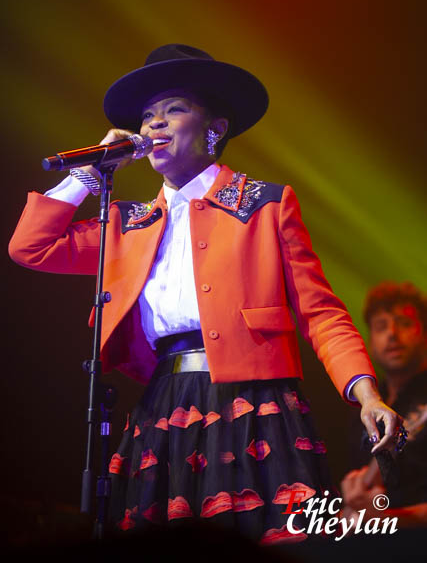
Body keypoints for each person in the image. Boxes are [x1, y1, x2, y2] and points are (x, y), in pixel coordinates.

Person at [9, 44, 400, 545]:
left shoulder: (264, 204)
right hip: (165, 406)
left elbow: (320, 311)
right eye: (148, 116)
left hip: (253, 404)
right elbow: (29, 248)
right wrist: (88, 176)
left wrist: (365, 391)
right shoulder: (126, 222)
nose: (155, 124)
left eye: (174, 109)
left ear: (214, 127)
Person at [341, 281, 427, 528]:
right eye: (381, 327)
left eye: (405, 323)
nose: (392, 333)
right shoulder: (360, 410)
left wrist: (389, 520)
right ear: (369, 341)